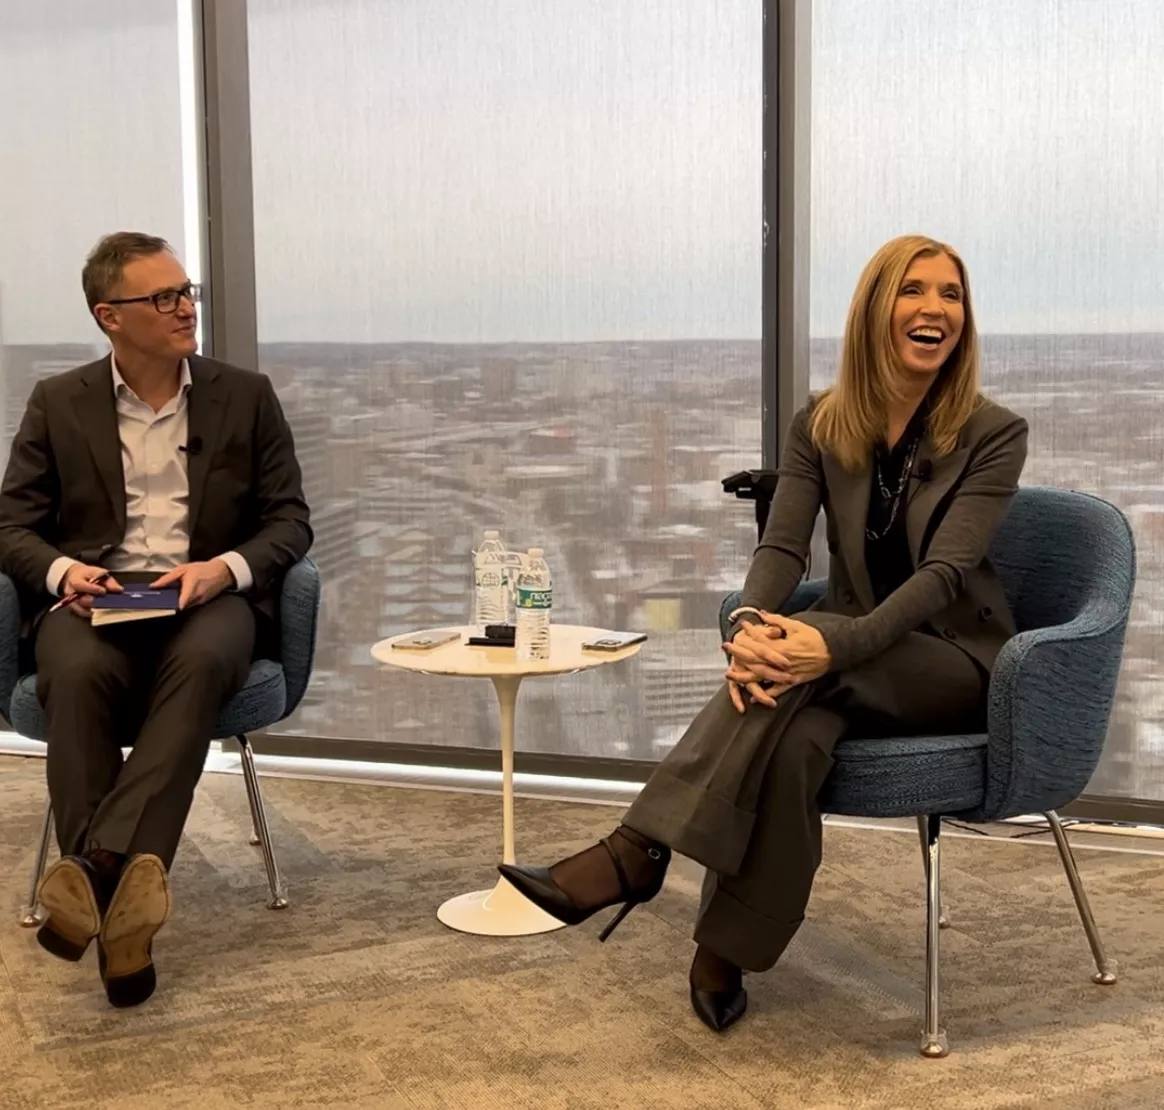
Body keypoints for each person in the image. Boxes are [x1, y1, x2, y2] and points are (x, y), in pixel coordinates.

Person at [500, 234, 1028, 1032]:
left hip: (955, 661)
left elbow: (943, 577)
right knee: (797, 743)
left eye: (951, 295)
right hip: (846, 658)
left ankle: (635, 850)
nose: (935, 310)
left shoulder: (993, 432)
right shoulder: (822, 422)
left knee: (803, 669)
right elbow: (782, 546)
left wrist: (827, 646)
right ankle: (725, 950)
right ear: (876, 310)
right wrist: (750, 624)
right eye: (914, 291)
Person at [0, 231, 311, 1008]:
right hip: (92, 599)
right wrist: (68, 572)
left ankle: (96, 869)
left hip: (209, 599)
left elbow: (290, 522)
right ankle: (124, 922)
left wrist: (223, 570)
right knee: (72, 674)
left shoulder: (245, 394)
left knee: (204, 665)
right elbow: (11, 526)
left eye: (186, 293)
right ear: (111, 316)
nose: (184, 309)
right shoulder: (58, 401)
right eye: (163, 297)